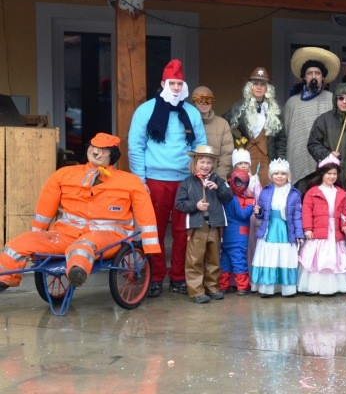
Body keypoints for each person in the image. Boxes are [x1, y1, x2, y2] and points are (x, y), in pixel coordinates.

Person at [0, 133, 159, 292]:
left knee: (83, 246)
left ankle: (77, 273)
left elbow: (145, 213)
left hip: (108, 236)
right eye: (93, 147)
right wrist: (37, 233)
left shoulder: (130, 182)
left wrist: (150, 246)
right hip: (66, 234)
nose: (96, 152)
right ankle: (4, 279)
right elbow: (45, 207)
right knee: (20, 243)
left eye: (103, 150)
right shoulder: (64, 175)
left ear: (113, 154)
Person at [128, 58, 207, 297]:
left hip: (185, 180)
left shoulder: (191, 113)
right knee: (154, 231)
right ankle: (155, 277)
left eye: (179, 84)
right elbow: (135, 146)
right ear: (163, 84)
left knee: (183, 232)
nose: (175, 88)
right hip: (154, 180)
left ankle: (178, 277)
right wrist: (140, 180)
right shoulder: (145, 110)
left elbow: (200, 145)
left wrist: (199, 175)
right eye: (171, 83)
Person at [174, 145, 233, 303]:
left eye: (209, 162)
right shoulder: (187, 182)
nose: (205, 165)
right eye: (202, 162)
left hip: (214, 225)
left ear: (213, 164)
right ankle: (196, 291)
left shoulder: (218, 180)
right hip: (197, 226)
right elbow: (179, 204)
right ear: (195, 163)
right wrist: (196, 206)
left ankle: (212, 288)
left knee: (214, 258)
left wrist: (219, 188)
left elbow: (228, 197)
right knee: (195, 259)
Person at [282, 47, 340, 191]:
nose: (313, 76)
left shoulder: (332, 100)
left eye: (317, 73)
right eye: (309, 73)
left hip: (326, 164)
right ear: (304, 77)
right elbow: (284, 135)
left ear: (323, 77)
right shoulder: (292, 103)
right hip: (298, 161)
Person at [298, 156, 346, 296]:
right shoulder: (312, 192)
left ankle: (332, 287)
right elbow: (306, 212)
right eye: (329, 173)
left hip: (334, 231)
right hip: (318, 230)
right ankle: (314, 286)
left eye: (334, 174)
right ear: (322, 174)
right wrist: (308, 229)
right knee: (317, 259)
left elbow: (344, 213)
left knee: (334, 258)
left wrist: (345, 225)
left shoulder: (340, 193)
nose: (332, 176)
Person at [251, 158, 303, 298]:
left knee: (285, 257)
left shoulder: (294, 193)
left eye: (283, 173)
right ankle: (268, 288)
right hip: (269, 229)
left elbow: (297, 216)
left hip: (286, 230)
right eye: (276, 173)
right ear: (271, 175)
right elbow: (263, 214)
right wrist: (258, 212)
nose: (279, 176)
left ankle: (287, 288)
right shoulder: (265, 192)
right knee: (269, 257)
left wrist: (299, 234)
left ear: (288, 175)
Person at [226, 67, 285, 185]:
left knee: (266, 189)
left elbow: (281, 140)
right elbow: (225, 124)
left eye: (262, 84)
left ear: (267, 88)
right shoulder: (239, 107)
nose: (259, 87)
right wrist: (237, 142)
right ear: (250, 87)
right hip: (246, 158)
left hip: (267, 158)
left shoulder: (275, 110)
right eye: (256, 84)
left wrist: (280, 162)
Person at [221, 166, 255, 295]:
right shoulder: (235, 199)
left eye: (245, 183)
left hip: (227, 234)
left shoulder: (226, 197)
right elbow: (242, 215)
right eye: (239, 182)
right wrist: (250, 204)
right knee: (238, 260)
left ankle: (223, 286)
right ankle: (242, 287)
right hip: (238, 236)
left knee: (225, 261)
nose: (242, 186)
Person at [191, 87, 234, 177]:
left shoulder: (222, 124)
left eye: (209, 100)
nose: (205, 103)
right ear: (194, 101)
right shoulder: (186, 122)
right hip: (189, 178)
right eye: (200, 99)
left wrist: (217, 179)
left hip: (215, 178)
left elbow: (227, 155)